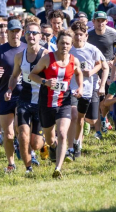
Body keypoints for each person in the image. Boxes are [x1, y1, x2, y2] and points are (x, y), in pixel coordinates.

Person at [29, 29, 82, 178]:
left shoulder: (73, 61)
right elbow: (32, 75)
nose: (64, 46)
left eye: (67, 43)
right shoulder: (47, 58)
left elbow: (79, 74)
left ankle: (58, 168)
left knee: (63, 133)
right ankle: (53, 147)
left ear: (71, 45)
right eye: (62, 43)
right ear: (56, 43)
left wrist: (80, 87)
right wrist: (45, 81)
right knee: (51, 138)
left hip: (64, 102)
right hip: (46, 103)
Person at [6, 18, 46, 173]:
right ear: (24, 35)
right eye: (28, 33)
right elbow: (15, 76)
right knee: (23, 134)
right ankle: (28, 168)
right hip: (24, 99)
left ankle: (46, 144)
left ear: (40, 36)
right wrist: (10, 89)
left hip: (42, 101)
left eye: (35, 33)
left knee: (36, 143)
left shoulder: (46, 55)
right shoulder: (19, 56)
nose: (31, 36)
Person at [67, 21, 105, 159]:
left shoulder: (92, 49)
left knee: (81, 119)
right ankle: (71, 147)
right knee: (73, 115)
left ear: (86, 36)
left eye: (81, 35)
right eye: (75, 35)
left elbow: (100, 64)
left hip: (88, 89)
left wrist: (92, 71)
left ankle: (78, 143)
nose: (78, 37)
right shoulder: (68, 49)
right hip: (71, 89)